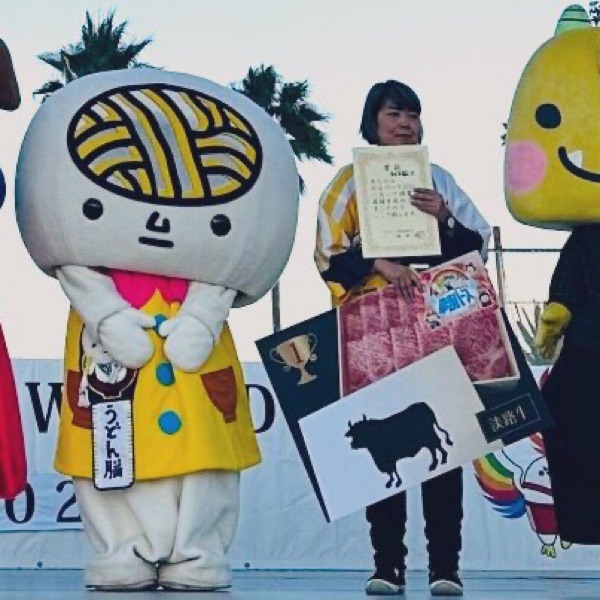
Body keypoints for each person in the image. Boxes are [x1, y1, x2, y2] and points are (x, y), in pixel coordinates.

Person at [315, 80, 491, 596]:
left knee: (444, 446)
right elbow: (326, 254)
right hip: (371, 326)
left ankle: (445, 567)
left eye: (413, 114)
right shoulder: (348, 181)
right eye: (394, 114)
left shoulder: (439, 178)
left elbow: (478, 244)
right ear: (372, 122)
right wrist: (378, 263)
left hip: (439, 320)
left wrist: (444, 217)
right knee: (383, 446)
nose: (406, 123)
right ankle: (387, 565)